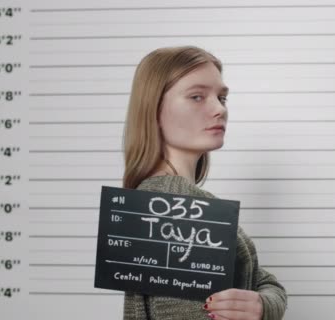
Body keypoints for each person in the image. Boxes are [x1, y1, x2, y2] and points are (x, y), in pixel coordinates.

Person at [120, 46, 288, 320]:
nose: (219, 109)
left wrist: (263, 303)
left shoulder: (176, 199)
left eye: (222, 97)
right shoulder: (176, 206)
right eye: (197, 96)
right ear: (153, 109)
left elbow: (264, 281)